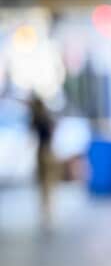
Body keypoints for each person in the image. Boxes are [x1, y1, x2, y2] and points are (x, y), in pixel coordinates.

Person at [29, 95, 56, 230]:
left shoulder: (38, 118)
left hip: (44, 152)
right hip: (48, 151)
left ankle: (46, 211)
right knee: (46, 184)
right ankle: (47, 211)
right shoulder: (46, 117)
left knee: (45, 184)